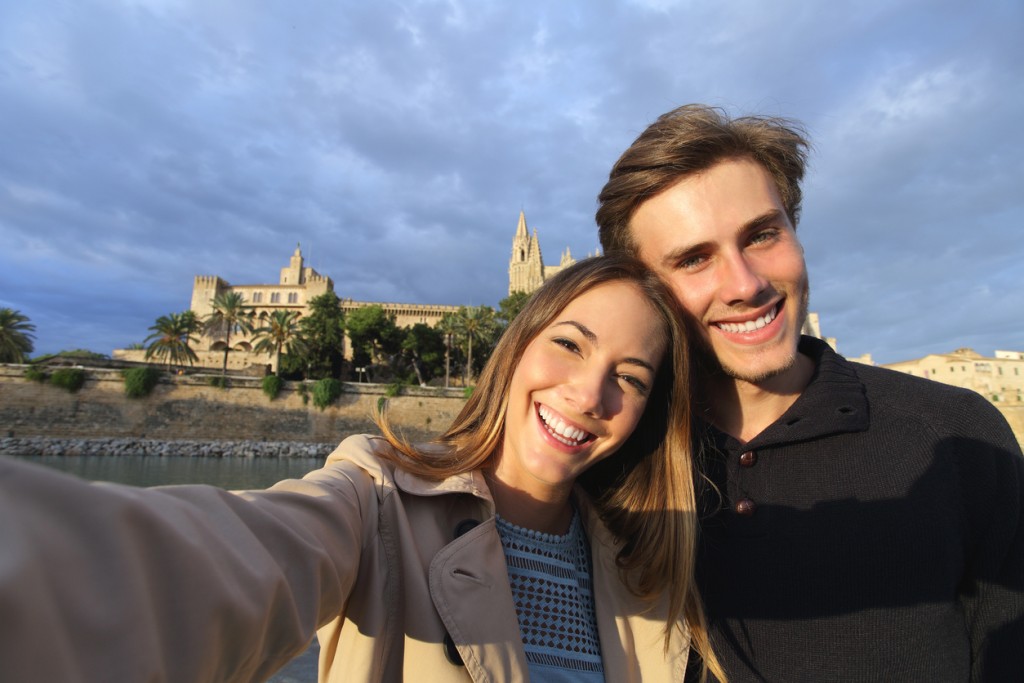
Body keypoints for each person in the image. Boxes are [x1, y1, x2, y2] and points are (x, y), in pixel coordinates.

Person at [0, 255, 725, 682]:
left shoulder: (652, 564)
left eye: (629, 377)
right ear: (516, 345)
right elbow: (217, 564)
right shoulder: (375, 498)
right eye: (569, 343)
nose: (589, 393)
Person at [595, 104, 1024, 682]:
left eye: (763, 235)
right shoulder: (609, 464)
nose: (745, 284)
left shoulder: (957, 438)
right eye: (695, 259)